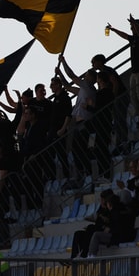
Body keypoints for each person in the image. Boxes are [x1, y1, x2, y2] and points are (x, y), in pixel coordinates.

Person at [57, 55, 97, 184]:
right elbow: (68, 87)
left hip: (83, 122)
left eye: (86, 75)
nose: (84, 77)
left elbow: (71, 75)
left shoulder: (88, 87)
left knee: (80, 149)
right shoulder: (84, 90)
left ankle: (87, 172)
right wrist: (60, 75)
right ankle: (84, 172)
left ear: (91, 78)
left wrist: (63, 62)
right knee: (76, 149)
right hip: (78, 122)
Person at [107, 15, 139, 125]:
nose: (132, 29)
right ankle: (137, 115)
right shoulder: (133, 39)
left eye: (133, 27)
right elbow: (124, 35)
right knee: (133, 95)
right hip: (134, 72)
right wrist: (113, 29)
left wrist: (133, 22)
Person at [91, 54, 129, 151]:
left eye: (93, 62)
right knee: (117, 119)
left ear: (99, 62)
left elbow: (115, 83)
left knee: (120, 118)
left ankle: (123, 141)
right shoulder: (104, 71)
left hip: (120, 96)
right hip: (117, 97)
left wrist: (113, 97)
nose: (92, 65)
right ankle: (121, 141)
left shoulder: (107, 71)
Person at [70, 189, 113, 259]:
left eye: (102, 200)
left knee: (91, 228)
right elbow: (97, 220)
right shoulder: (101, 209)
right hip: (96, 229)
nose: (101, 201)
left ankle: (84, 254)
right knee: (78, 234)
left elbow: (109, 224)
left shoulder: (111, 210)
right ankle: (73, 257)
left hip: (102, 231)